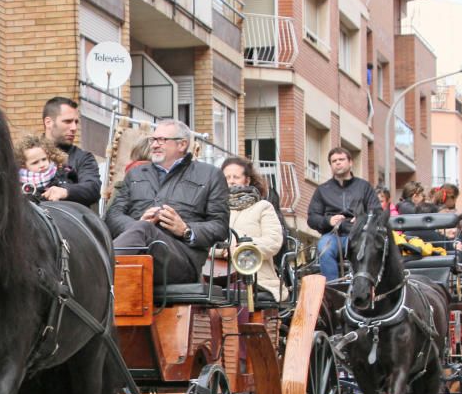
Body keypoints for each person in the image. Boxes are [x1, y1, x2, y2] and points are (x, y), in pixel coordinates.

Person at [105, 119, 229, 285]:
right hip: (136, 251)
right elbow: (112, 215)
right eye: (153, 140)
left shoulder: (210, 175)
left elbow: (220, 226)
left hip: (183, 260)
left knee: (145, 229)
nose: (155, 145)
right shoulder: (136, 174)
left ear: (182, 145)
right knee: (141, 228)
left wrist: (185, 230)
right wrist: (135, 225)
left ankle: (97, 270)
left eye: (162, 140)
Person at [307, 147, 382, 281]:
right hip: (333, 236)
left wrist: (362, 219)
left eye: (341, 159)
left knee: (365, 250)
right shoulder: (322, 190)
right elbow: (312, 218)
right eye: (334, 161)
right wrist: (328, 221)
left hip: (359, 234)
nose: (337, 163)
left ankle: (363, 287)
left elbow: (376, 211)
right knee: (324, 249)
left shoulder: (364, 186)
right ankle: (334, 288)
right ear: (330, 165)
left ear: (350, 162)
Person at [220, 156, 284, 301]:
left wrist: (241, 248)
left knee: (237, 292)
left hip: (255, 277)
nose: (231, 181)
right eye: (226, 177)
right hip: (215, 275)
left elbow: (273, 242)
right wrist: (224, 248)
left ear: (247, 180)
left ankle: (235, 324)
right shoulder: (214, 207)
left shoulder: (263, 207)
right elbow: (204, 239)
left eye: (236, 177)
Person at [40, 97, 101, 206]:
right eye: (67, 121)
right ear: (48, 122)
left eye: (76, 122)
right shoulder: (25, 155)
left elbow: (92, 187)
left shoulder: (83, 158)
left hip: (70, 218)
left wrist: (65, 191)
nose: (74, 127)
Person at [14, 133, 76, 202]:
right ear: (24, 165)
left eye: (44, 159)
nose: (42, 165)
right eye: (35, 162)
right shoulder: (20, 186)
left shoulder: (60, 174)